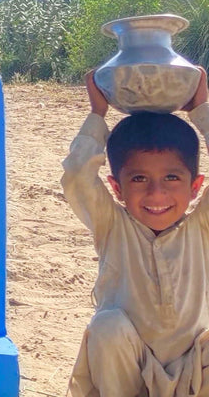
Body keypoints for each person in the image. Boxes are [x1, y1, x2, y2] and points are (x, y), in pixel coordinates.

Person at [62, 70, 209, 396]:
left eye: (172, 178)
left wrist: (202, 110)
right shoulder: (111, 224)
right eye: (139, 179)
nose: (156, 195)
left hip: (192, 375)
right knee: (107, 327)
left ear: (196, 185)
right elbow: (76, 176)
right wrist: (97, 115)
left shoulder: (201, 226)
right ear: (116, 187)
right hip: (127, 375)